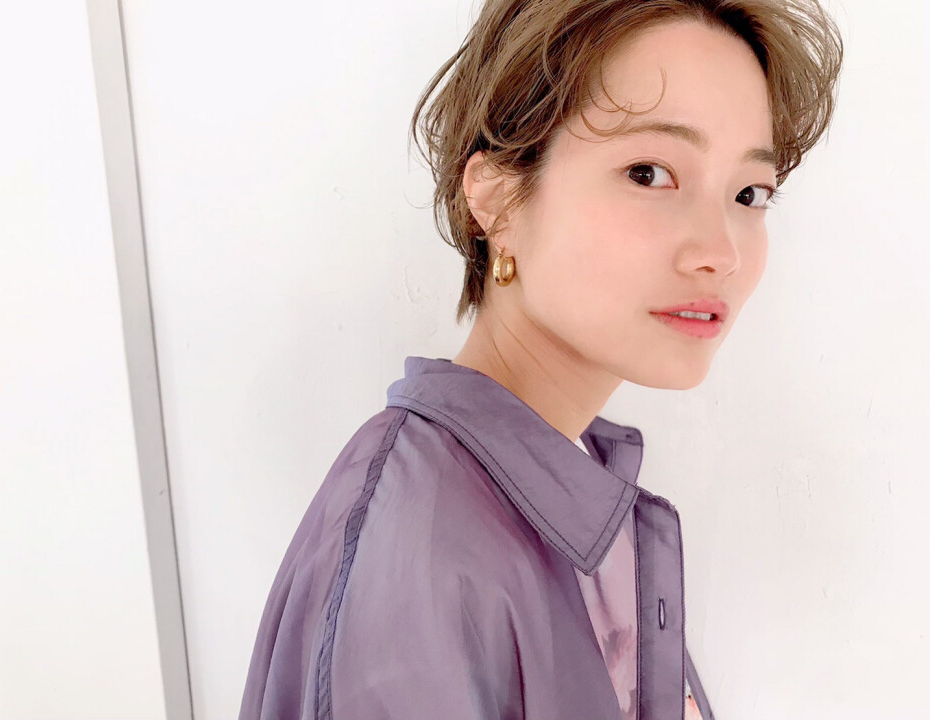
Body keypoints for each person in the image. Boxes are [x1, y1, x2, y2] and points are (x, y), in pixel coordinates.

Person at [239, 1, 843, 718]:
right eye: (649, 173)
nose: (720, 251)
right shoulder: (425, 559)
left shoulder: (571, 482)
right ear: (498, 198)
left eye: (749, 193)